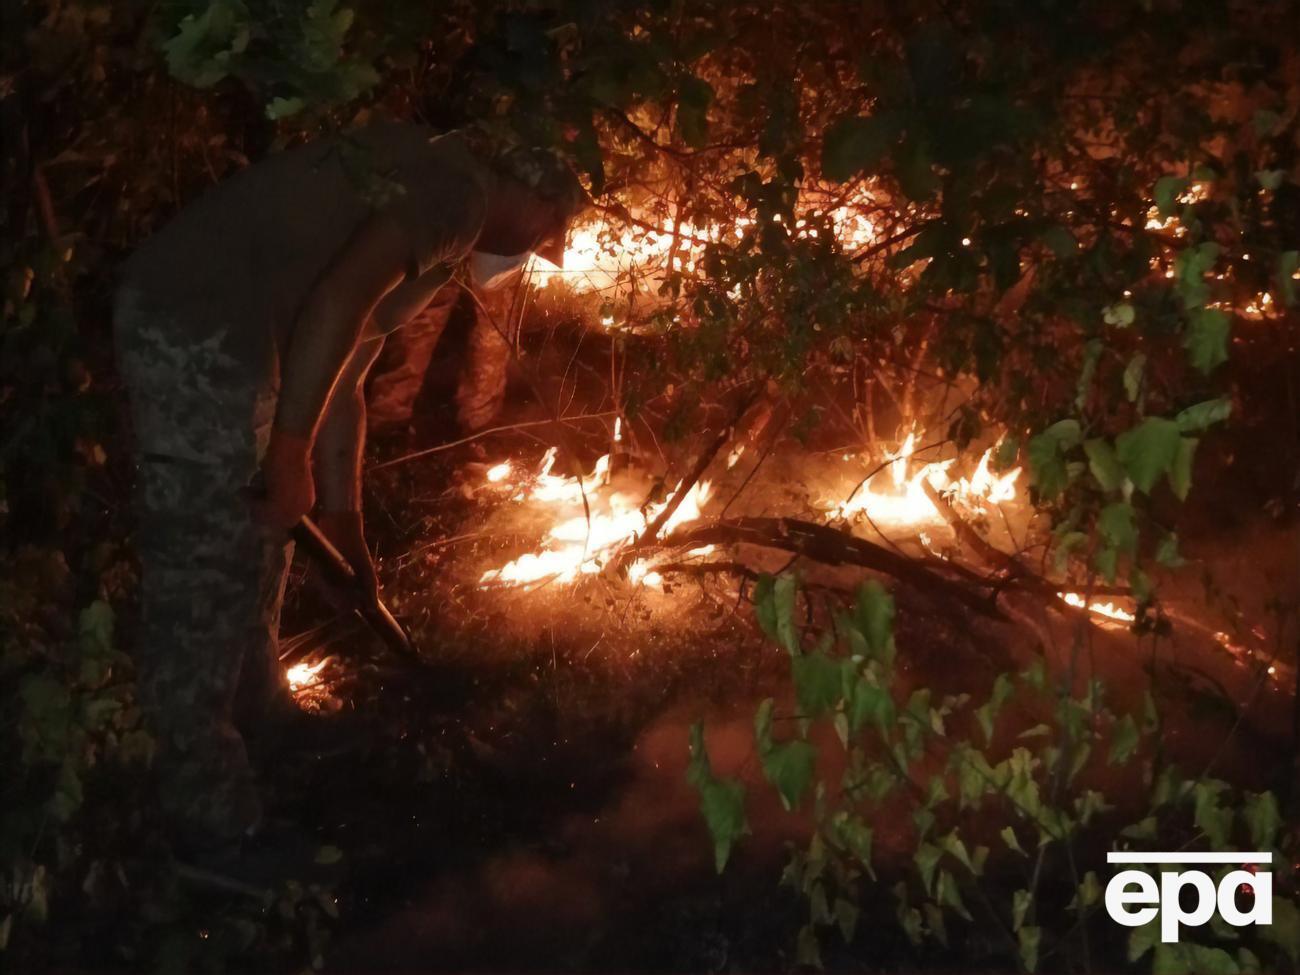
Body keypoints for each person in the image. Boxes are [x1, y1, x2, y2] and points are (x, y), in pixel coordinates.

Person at [114, 121, 586, 861]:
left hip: (247, 340)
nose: (538, 249)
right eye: (549, 229)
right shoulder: (456, 193)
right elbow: (337, 302)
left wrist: (344, 522)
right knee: (209, 557)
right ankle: (209, 821)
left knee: (265, 533)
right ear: (532, 194)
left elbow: (347, 370)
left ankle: (263, 717)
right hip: (197, 323)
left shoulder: (446, 226)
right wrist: (288, 452)